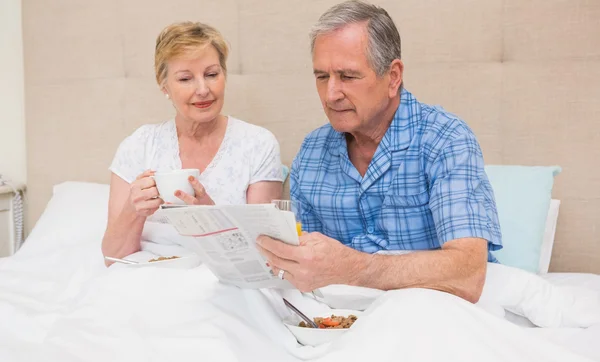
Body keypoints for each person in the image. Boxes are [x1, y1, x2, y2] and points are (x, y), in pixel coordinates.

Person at [256, 1, 502, 303]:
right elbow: (306, 265)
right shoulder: (312, 152)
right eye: (322, 77)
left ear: (393, 76)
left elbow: (467, 273)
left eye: (348, 76)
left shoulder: (445, 140)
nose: (331, 94)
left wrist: (352, 268)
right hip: (340, 320)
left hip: (435, 316)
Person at [102, 22, 284, 265]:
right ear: (163, 85)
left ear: (224, 75)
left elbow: (266, 256)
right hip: (143, 275)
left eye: (211, 74)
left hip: (220, 279)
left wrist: (210, 217)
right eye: (186, 78)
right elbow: (112, 257)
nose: (202, 89)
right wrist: (133, 211)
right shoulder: (139, 146)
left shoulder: (258, 144)